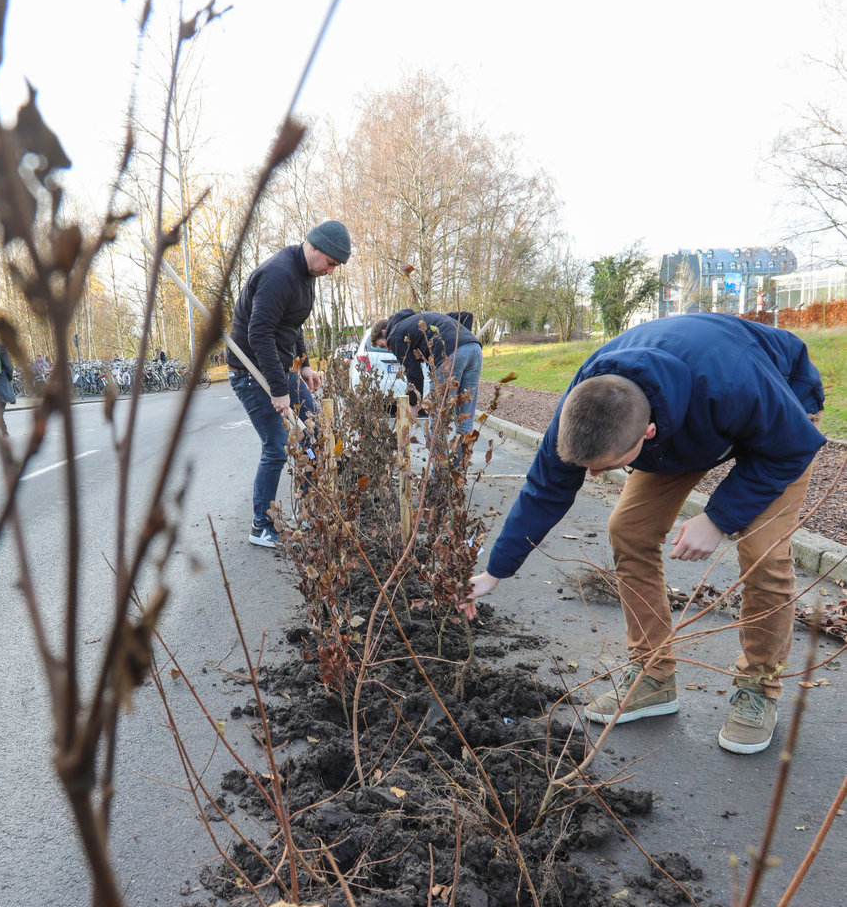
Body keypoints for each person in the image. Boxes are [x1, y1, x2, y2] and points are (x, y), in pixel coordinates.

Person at [460, 314, 826, 756]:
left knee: (763, 551)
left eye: (608, 466)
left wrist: (717, 518)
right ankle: (653, 675)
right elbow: (545, 489)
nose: (594, 475)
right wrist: (495, 572)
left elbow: (792, 448)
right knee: (628, 528)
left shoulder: (734, 383)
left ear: (647, 433)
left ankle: (758, 686)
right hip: (690, 424)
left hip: (776, 417)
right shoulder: (585, 403)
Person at [227, 220, 351, 548]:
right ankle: (261, 526)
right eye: (331, 263)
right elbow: (259, 333)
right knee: (277, 445)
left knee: (316, 433)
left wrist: (305, 366)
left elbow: (293, 326)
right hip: (251, 372)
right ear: (315, 248)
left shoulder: (306, 275)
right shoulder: (279, 274)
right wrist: (279, 390)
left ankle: (308, 514)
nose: (331, 271)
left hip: (283, 370)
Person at [369, 308, 484, 441]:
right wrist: (463, 344)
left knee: (438, 423)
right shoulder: (420, 319)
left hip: (448, 357)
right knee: (465, 420)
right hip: (474, 349)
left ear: (384, 332)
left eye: (383, 345)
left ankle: (440, 461)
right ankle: (462, 461)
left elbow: (414, 372)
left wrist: (413, 404)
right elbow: (465, 315)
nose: (387, 349)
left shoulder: (393, 335)